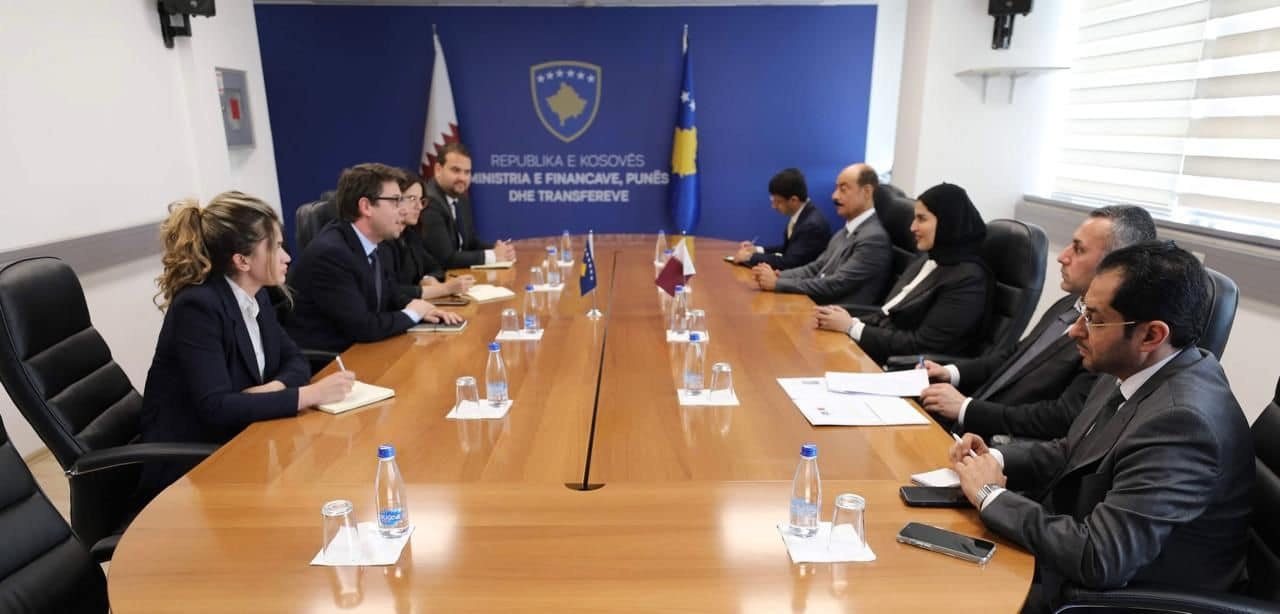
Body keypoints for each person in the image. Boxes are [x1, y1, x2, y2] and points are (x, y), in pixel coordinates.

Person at [951, 241, 1253, 614]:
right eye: (1082, 310)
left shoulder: (1183, 424)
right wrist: (993, 459)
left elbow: (1100, 558)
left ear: (1151, 336)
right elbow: (1072, 452)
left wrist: (990, 495)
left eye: (1093, 318)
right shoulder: (1134, 366)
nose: (1074, 331)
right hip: (1074, 559)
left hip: (1119, 600)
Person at [139, 191, 356, 492]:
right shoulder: (197, 308)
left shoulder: (256, 295)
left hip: (241, 438)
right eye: (276, 247)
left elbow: (295, 359)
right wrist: (309, 395)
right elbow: (216, 407)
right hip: (192, 467)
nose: (287, 257)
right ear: (242, 260)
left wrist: (271, 389)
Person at [919, 205, 1157, 439]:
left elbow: (1062, 417)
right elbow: (1015, 355)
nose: (1062, 257)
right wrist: (951, 372)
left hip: (998, 443)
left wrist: (966, 408)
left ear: (1116, 265)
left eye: (1079, 249)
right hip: (967, 421)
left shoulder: (1111, 338)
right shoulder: (1068, 304)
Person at [285, 163, 461, 353]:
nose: (403, 210)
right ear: (366, 206)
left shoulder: (377, 244)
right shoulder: (331, 254)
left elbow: (391, 294)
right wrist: (412, 314)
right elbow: (363, 327)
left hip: (364, 350)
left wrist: (424, 309)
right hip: (333, 360)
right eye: (395, 201)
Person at [814, 182, 990, 363]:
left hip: (905, 368)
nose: (912, 227)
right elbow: (888, 314)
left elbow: (922, 345)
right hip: (879, 349)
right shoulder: (929, 257)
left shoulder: (968, 278)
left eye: (921, 219)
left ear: (948, 222)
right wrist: (845, 319)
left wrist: (852, 327)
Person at [750, 163, 892, 305]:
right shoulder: (845, 231)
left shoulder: (874, 239)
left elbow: (836, 284)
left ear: (867, 192)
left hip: (838, 312)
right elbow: (815, 268)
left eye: (843, 189)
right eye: (836, 188)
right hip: (819, 304)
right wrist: (780, 275)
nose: (834, 196)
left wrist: (778, 283)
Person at [421, 143, 516, 268]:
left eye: (467, 172)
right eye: (456, 170)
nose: (462, 178)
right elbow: (446, 259)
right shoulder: (430, 203)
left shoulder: (461, 199)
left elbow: (470, 243)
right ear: (438, 170)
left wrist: (497, 249)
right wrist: (493, 255)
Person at [383, 171, 475, 301]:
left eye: (421, 200)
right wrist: (444, 289)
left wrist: (428, 279)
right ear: (395, 200)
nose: (419, 207)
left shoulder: (410, 235)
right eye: (412, 199)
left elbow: (435, 267)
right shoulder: (383, 239)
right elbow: (391, 292)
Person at [730, 168, 830, 269]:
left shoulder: (812, 226)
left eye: (778, 202)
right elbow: (789, 250)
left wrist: (750, 257)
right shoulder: (802, 215)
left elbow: (790, 263)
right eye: (772, 200)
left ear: (794, 200)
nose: (773, 206)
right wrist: (756, 250)